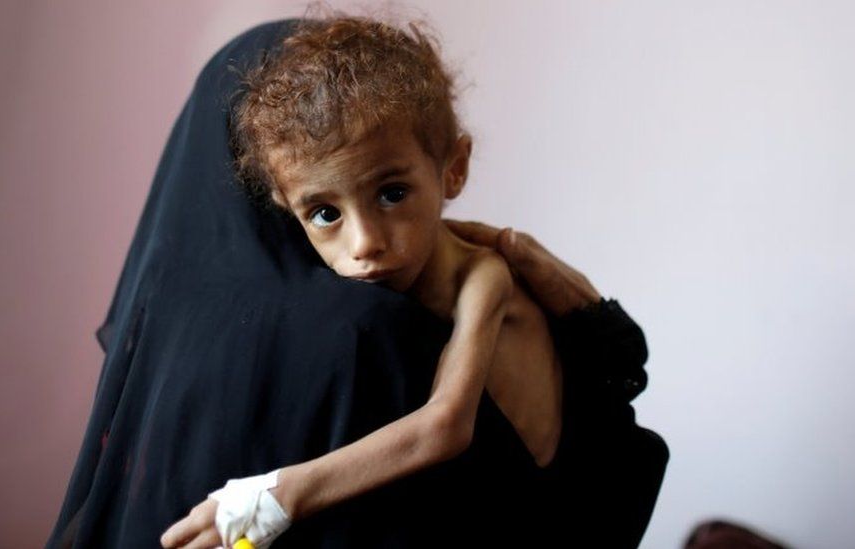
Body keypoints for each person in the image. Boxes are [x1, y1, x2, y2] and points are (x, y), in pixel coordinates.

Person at [45, 15, 667, 549]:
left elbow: (447, 426)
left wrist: (278, 496)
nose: (365, 244)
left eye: (392, 193)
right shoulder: (355, 292)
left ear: (453, 169)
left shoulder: (483, 273)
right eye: (324, 214)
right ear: (284, 212)